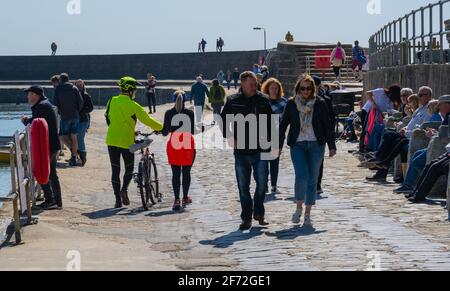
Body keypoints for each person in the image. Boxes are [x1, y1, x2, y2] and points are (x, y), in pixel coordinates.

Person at [280, 74, 336, 228]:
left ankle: (308, 214)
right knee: (301, 176)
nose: (306, 91)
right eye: (303, 88)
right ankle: (298, 208)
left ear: (313, 89)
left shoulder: (320, 103)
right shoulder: (291, 104)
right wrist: (277, 145)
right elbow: (283, 124)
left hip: (316, 145)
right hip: (297, 144)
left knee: (312, 179)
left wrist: (332, 145)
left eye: (309, 88)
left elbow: (327, 125)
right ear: (298, 88)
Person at [220, 71, 273, 231]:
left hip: (261, 149)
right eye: (250, 84)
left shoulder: (263, 100)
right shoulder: (232, 101)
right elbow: (223, 120)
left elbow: (271, 122)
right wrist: (229, 137)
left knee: (262, 184)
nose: (253, 87)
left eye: (255, 84)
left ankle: (259, 212)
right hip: (241, 151)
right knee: (243, 187)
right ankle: (246, 218)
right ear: (242, 84)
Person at [105, 77, 163, 209]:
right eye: (134, 89)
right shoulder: (133, 105)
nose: (135, 91)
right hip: (126, 142)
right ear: (130, 90)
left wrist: (121, 127)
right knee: (129, 169)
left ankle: (117, 200)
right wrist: (162, 127)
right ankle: (124, 189)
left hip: (112, 140)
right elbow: (148, 121)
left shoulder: (111, 101)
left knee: (115, 170)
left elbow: (107, 118)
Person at [366, 87, 433, 182]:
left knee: (394, 140)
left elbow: (423, 127)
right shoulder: (420, 108)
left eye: (422, 95)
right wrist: (405, 128)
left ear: (429, 96)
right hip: (406, 132)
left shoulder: (429, 109)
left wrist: (407, 131)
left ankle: (380, 161)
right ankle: (380, 161)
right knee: (388, 134)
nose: (420, 97)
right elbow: (412, 122)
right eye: (419, 95)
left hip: (413, 137)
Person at [21, 86, 62, 209]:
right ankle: (55, 200)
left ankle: (52, 200)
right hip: (51, 144)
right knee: (51, 173)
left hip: (47, 145)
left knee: (42, 171)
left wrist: (25, 120)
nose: (27, 97)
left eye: (29, 94)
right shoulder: (44, 104)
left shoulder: (41, 106)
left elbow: (34, 123)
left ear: (35, 95)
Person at [162, 93, 197, 211]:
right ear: (185, 100)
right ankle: (185, 197)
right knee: (186, 172)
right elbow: (193, 131)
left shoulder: (168, 113)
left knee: (175, 173)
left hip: (174, 144)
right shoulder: (190, 113)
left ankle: (176, 200)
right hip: (187, 143)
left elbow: (165, 132)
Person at [261, 78, 287, 194]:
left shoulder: (284, 102)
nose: (274, 90)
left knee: (274, 162)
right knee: (263, 163)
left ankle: (274, 185)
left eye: (276, 88)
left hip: (277, 135)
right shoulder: (262, 101)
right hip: (263, 135)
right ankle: (264, 185)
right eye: (272, 88)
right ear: (267, 88)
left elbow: (285, 122)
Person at [312, 75, 336, 195]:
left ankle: (317, 184)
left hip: (320, 135)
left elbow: (331, 119)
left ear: (318, 86)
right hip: (306, 136)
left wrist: (330, 138)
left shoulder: (325, 100)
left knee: (319, 162)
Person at [54, 73, 84, 167]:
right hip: (75, 116)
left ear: (61, 80)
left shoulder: (58, 89)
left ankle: (73, 151)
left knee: (62, 136)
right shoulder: (74, 88)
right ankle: (74, 156)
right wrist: (76, 111)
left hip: (65, 116)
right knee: (74, 136)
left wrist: (60, 111)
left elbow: (55, 102)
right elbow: (81, 102)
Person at [74, 79, 94, 167]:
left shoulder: (85, 95)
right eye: (77, 85)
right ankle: (76, 156)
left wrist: (81, 111)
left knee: (80, 138)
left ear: (83, 86)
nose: (79, 87)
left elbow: (91, 108)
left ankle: (82, 158)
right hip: (75, 120)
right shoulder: (73, 95)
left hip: (83, 120)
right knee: (74, 139)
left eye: (80, 85)